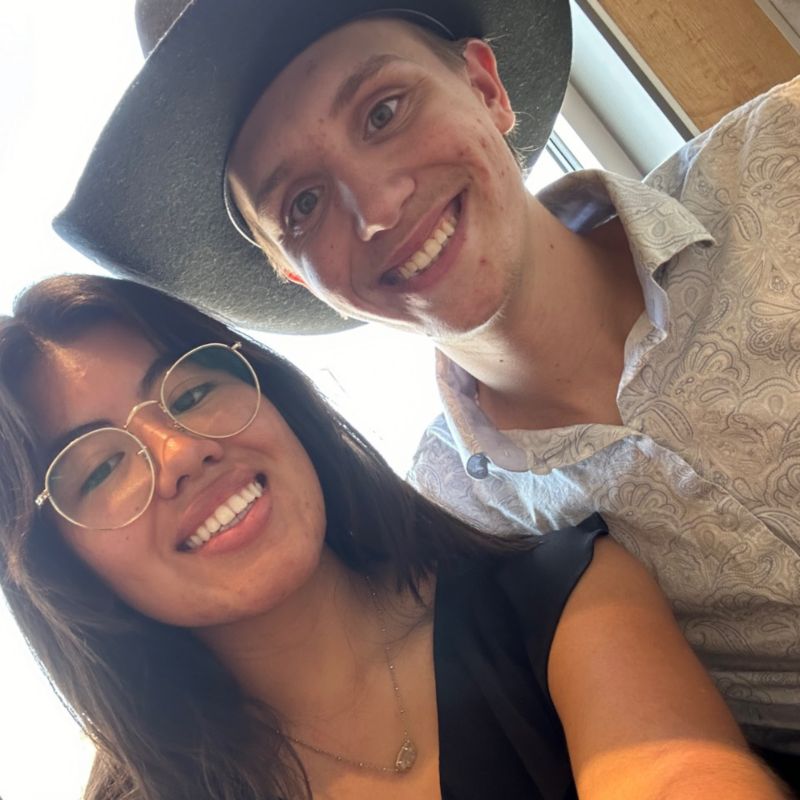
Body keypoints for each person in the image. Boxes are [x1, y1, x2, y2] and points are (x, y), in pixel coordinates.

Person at [52, 0, 800, 774]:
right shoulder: (462, 523)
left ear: (486, 87)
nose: (377, 208)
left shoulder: (784, 150)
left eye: (383, 112)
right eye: (303, 205)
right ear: (295, 276)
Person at [0, 273, 788, 800]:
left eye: (193, 391)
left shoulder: (563, 599)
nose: (180, 453)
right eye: (100, 469)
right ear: (63, 570)